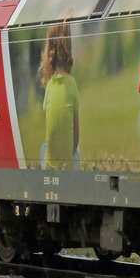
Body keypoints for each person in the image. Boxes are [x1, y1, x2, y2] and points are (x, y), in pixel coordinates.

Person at [38, 22, 79, 169]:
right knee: (77, 151)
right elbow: (76, 133)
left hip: (50, 165)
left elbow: (51, 127)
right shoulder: (71, 83)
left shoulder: (49, 86)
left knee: (44, 148)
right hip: (67, 165)